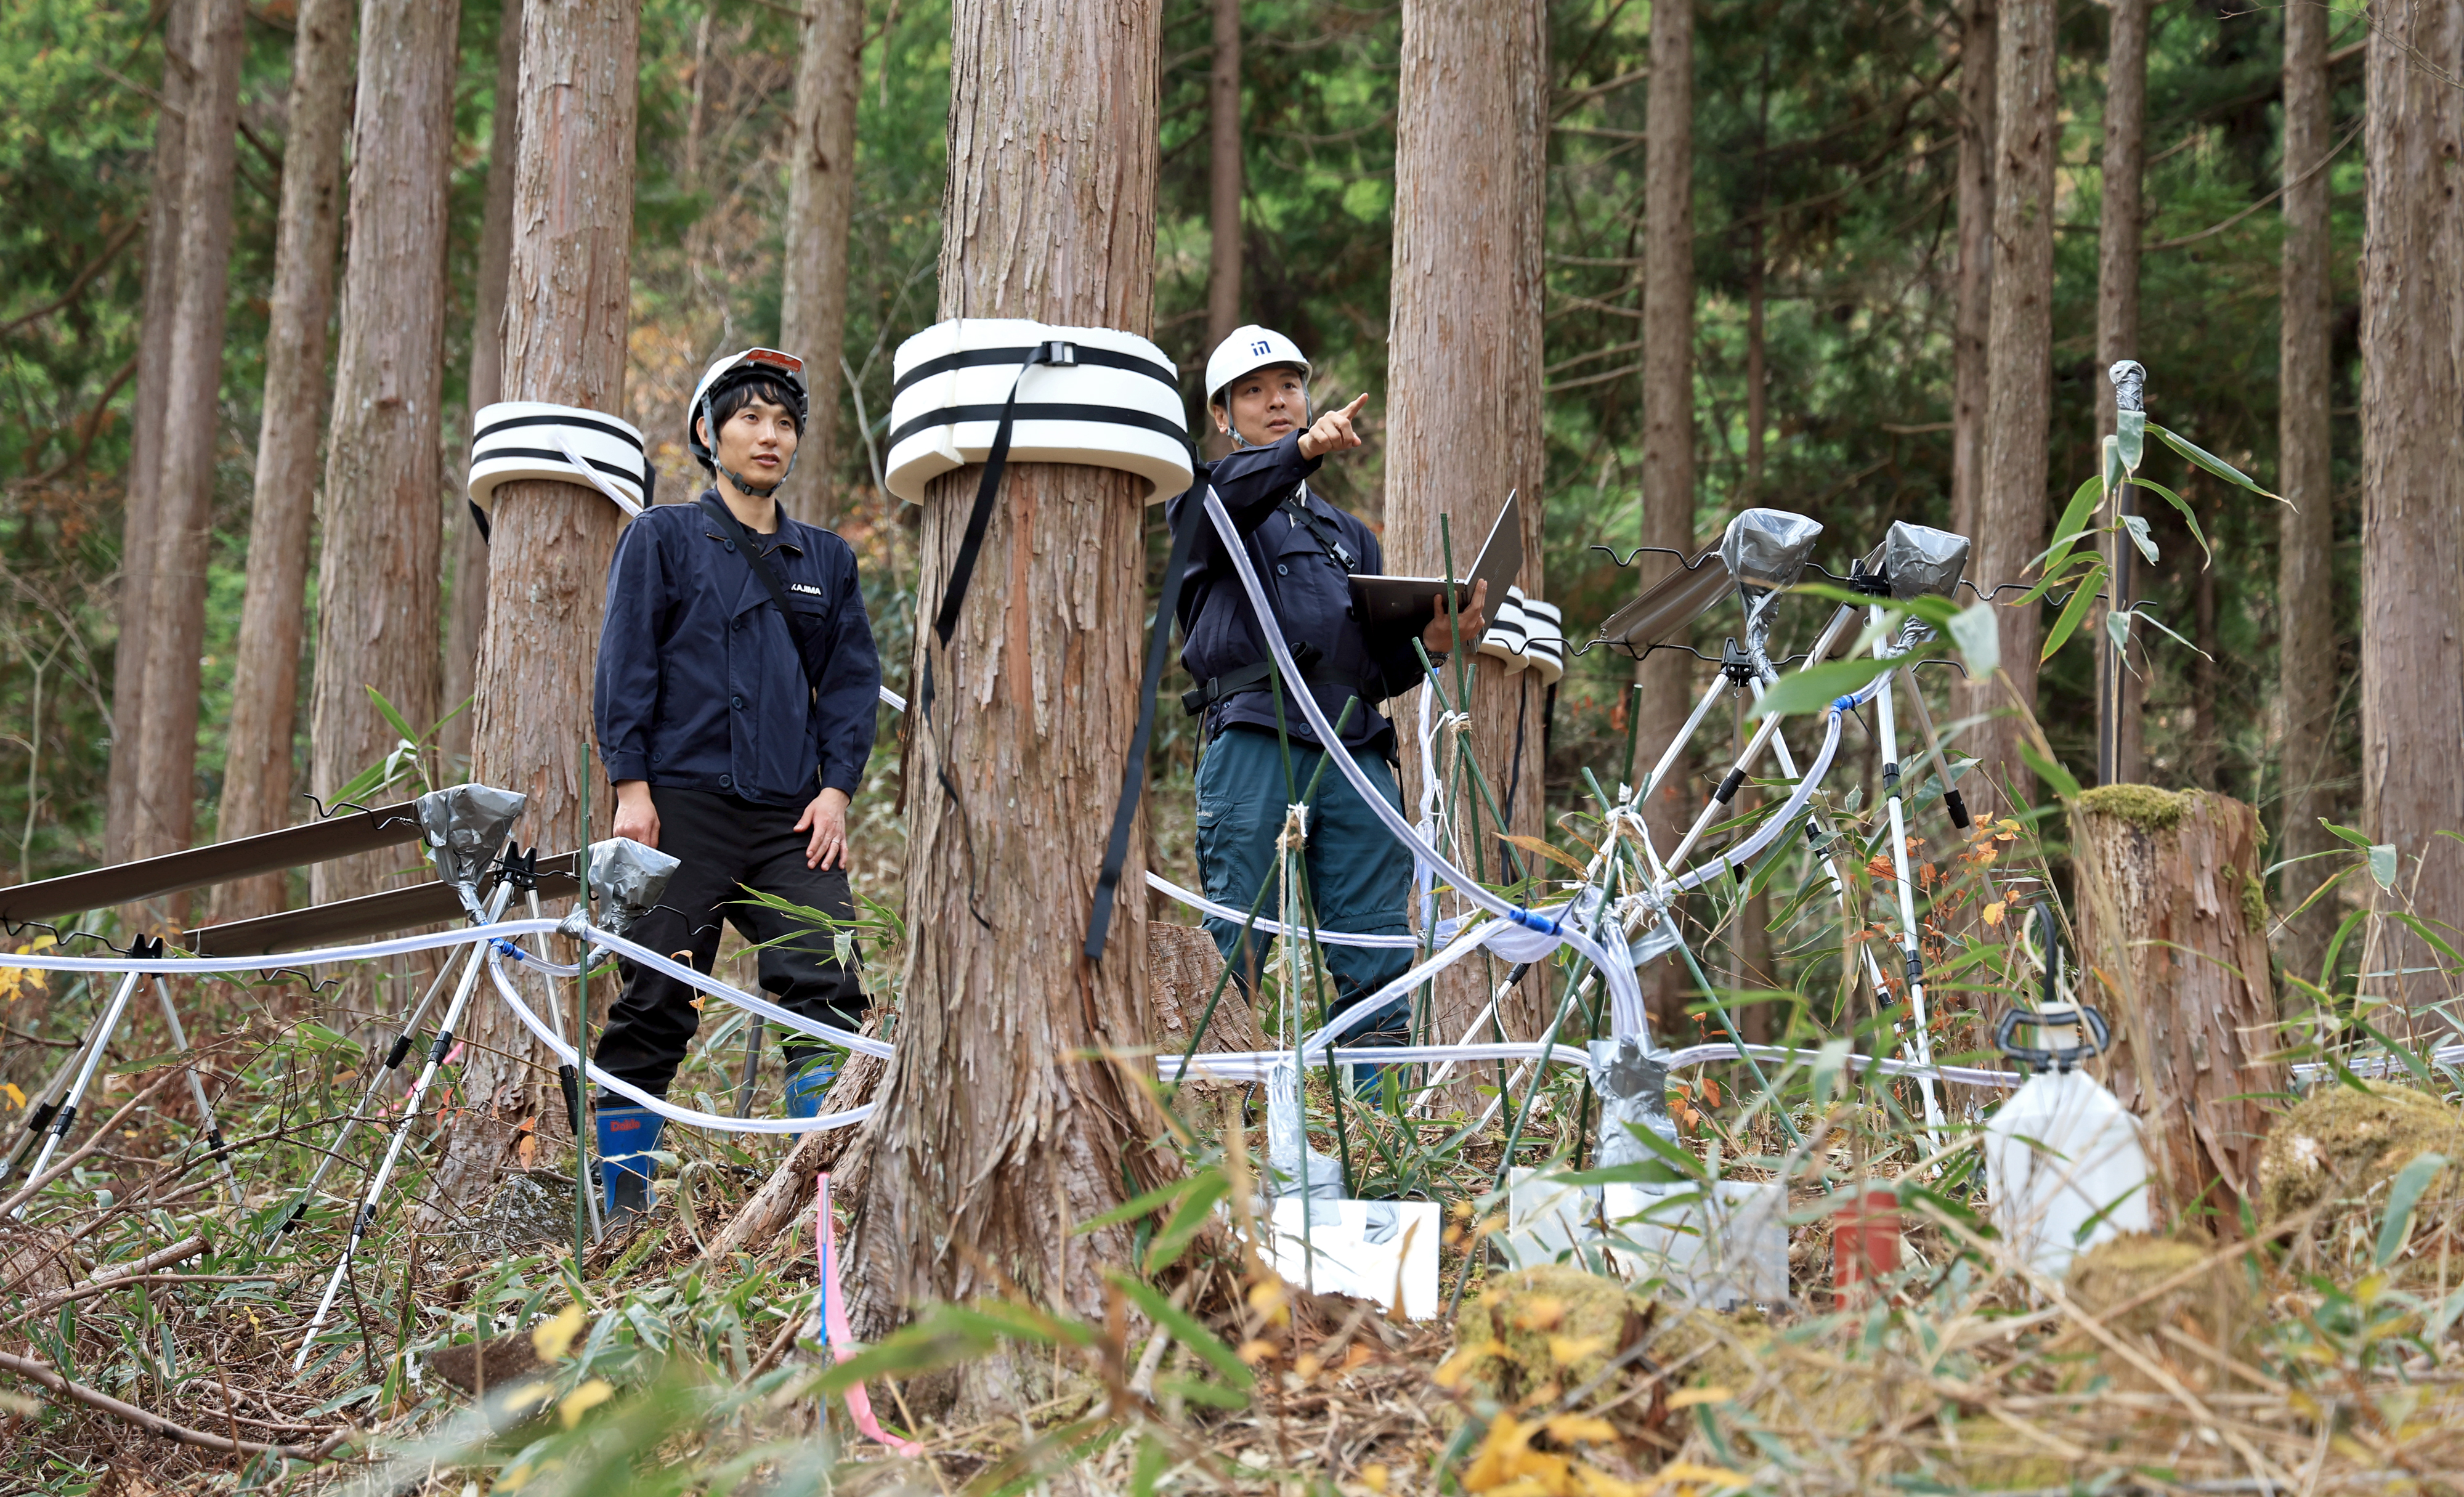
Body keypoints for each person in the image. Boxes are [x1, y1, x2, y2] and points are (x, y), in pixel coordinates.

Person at [589, 347, 882, 1220]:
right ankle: (619, 1208)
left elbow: (854, 684)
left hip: (794, 816)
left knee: (827, 990)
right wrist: (630, 784)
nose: (769, 434)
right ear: (709, 433)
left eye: (784, 421)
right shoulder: (663, 536)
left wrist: (836, 792)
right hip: (679, 805)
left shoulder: (824, 558)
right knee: (653, 998)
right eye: (750, 417)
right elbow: (625, 664)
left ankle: (822, 1203)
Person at [1170, 326, 1485, 1081]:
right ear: (1223, 417)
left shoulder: (1353, 538)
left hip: (1355, 749)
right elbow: (1222, 505)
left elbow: (1374, 672)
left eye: (1287, 386)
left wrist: (1435, 642)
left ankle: (1377, 1135)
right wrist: (1302, 452)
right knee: (1237, 942)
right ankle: (1225, 1143)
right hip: (1253, 737)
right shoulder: (1207, 499)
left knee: (1376, 945)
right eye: (1253, 391)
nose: (1276, 401)